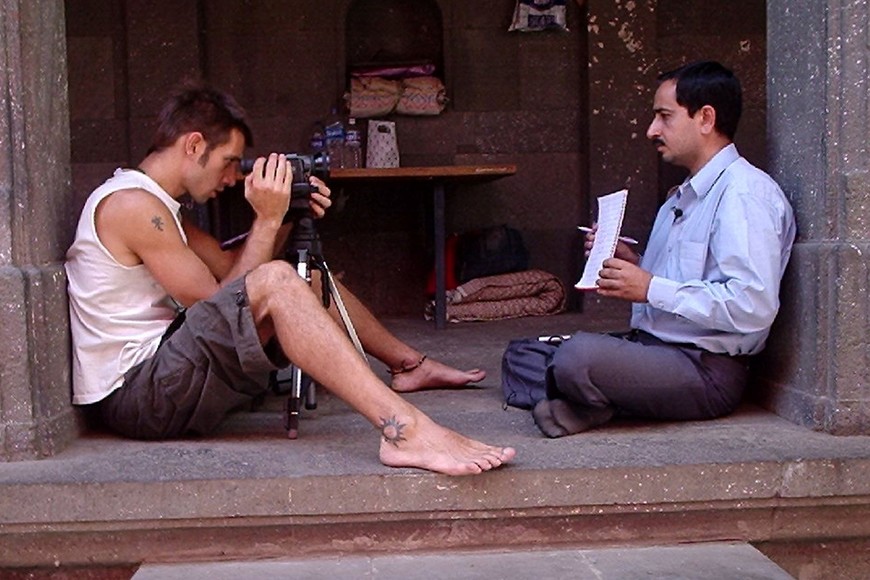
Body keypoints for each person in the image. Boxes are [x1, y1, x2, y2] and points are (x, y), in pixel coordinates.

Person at [65, 82, 515, 475]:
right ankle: (405, 431)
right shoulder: (131, 207)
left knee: (306, 283)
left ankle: (409, 367)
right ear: (194, 144)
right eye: (229, 161)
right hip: (140, 395)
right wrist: (265, 218)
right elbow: (222, 305)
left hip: (165, 377)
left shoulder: (160, 207)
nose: (230, 177)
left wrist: (286, 216)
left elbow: (230, 273)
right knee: (278, 282)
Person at [532, 60, 796, 438]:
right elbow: (677, 284)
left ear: (705, 118)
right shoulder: (683, 197)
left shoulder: (744, 194)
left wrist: (649, 287)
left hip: (704, 369)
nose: (651, 130)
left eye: (664, 117)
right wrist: (632, 265)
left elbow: (752, 305)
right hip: (657, 352)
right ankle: (593, 403)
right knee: (528, 353)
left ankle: (592, 402)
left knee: (576, 358)